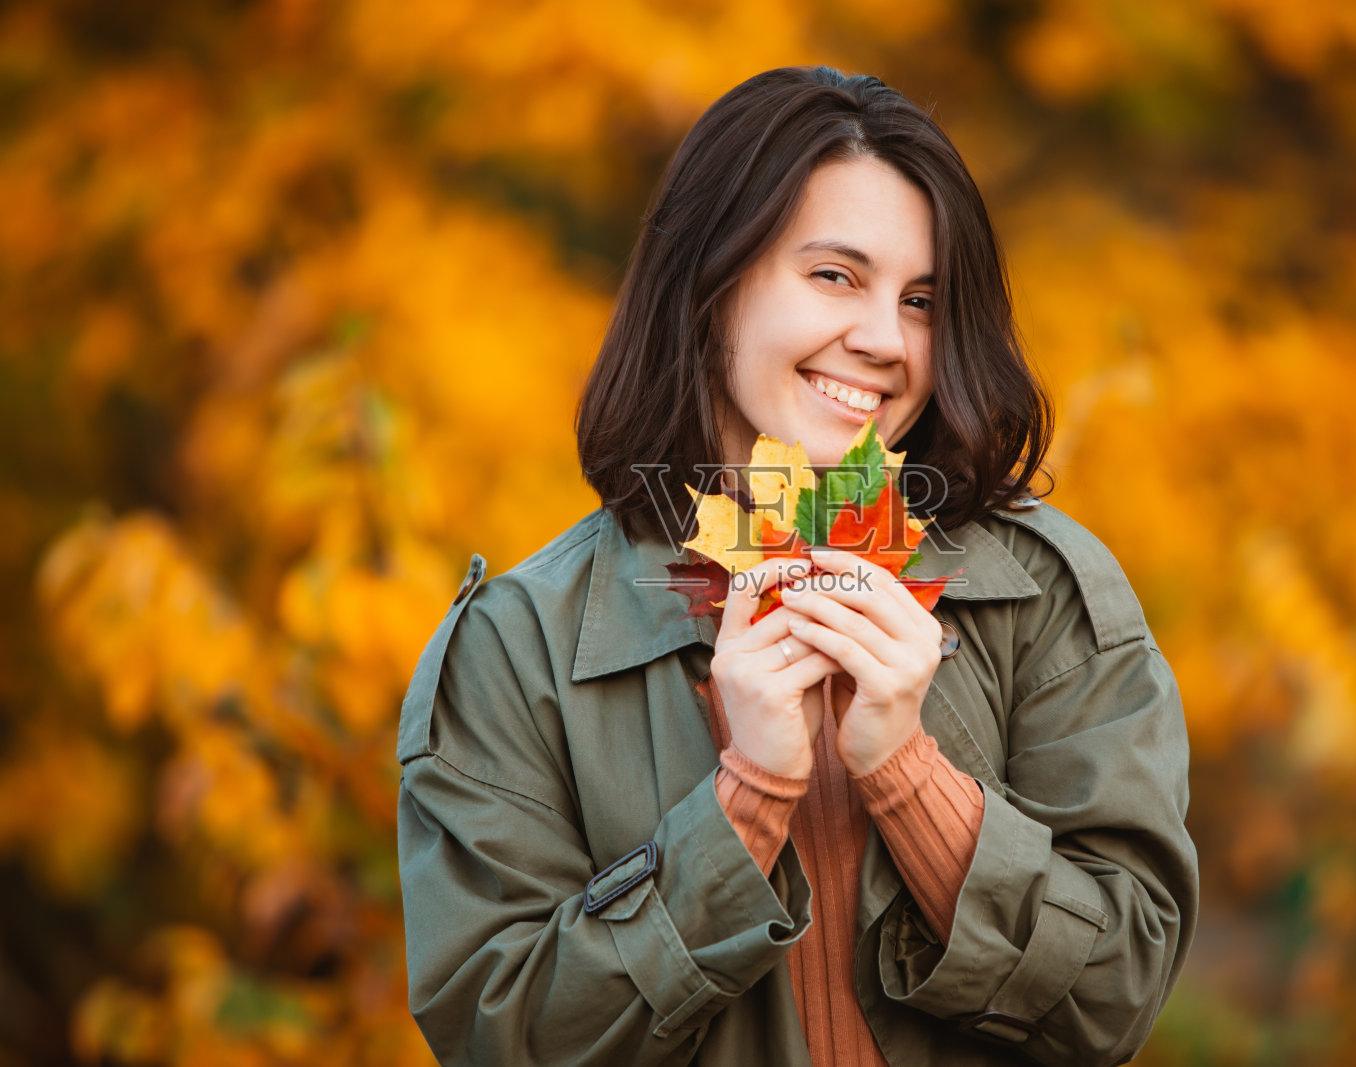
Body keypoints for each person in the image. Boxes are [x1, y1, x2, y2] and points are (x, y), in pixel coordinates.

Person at [396, 65, 1197, 1066]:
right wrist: (744, 801)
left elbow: (1115, 1000)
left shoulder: (1046, 592)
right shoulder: (521, 646)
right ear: (710, 283)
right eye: (834, 276)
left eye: (920, 299)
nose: (883, 340)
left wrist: (909, 774)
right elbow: (498, 1035)